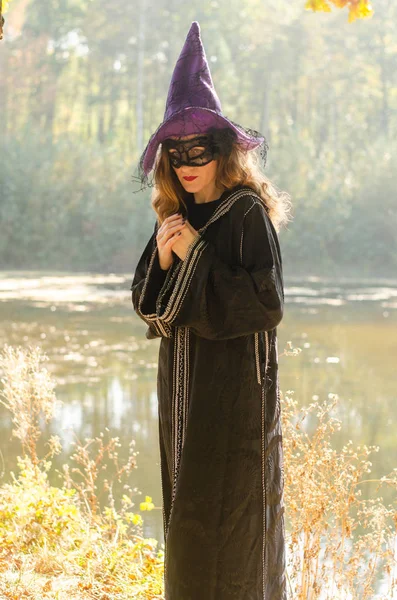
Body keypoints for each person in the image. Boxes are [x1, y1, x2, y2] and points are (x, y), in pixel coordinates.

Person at [131, 21, 292, 600]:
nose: (186, 163)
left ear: (224, 151)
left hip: (234, 398)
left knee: (232, 517)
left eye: (199, 150)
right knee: (188, 512)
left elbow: (266, 305)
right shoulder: (176, 217)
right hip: (182, 388)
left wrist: (195, 255)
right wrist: (172, 259)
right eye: (175, 155)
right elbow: (155, 314)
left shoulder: (245, 212)